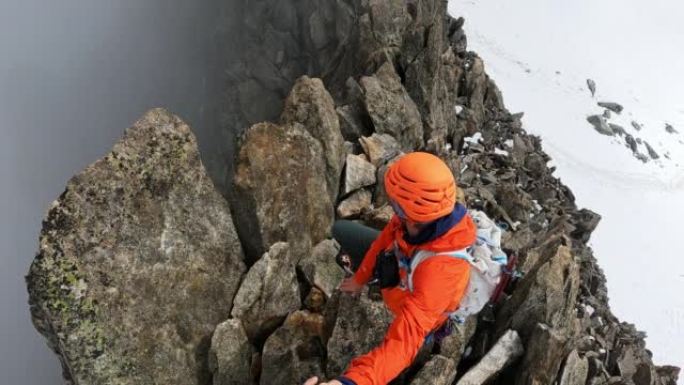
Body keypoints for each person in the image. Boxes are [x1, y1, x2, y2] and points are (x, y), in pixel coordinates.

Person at [303, 152, 477, 385]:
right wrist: (360, 279)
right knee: (342, 230)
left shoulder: (442, 274)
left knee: (409, 336)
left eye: (395, 204)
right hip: (406, 268)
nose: (392, 209)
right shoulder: (415, 219)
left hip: (420, 304)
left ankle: (430, 335)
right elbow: (382, 242)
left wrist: (350, 382)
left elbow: (401, 346)